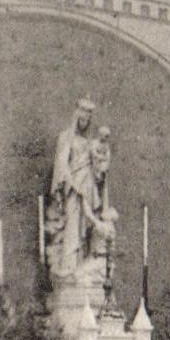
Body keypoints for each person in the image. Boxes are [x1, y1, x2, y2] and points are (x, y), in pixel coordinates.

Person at [49, 97, 102, 276]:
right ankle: (70, 264)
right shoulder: (66, 137)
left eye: (88, 118)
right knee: (73, 223)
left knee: (85, 226)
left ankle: (82, 266)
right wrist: (72, 184)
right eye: (82, 116)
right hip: (73, 187)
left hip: (87, 186)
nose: (85, 121)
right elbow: (62, 164)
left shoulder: (89, 142)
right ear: (76, 115)